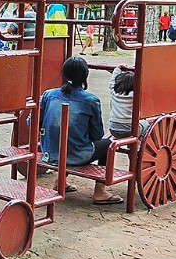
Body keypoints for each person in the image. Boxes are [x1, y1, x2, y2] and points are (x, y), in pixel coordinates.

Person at [38, 56, 123, 205]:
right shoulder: (91, 100)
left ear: (63, 74)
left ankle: (60, 182)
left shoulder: (48, 95)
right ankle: (100, 191)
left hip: (49, 153)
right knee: (107, 145)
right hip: (77, 156)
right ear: (85, 76)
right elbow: (97, 134)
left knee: (66, 139)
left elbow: (33, 122)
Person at [108, 65, 150, 138]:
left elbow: (112, 82)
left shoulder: (114, 93)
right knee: (146, 124)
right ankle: (140, 142)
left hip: (113, 129)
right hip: (129, 131)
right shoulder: (136, 95)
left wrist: (117, 69)